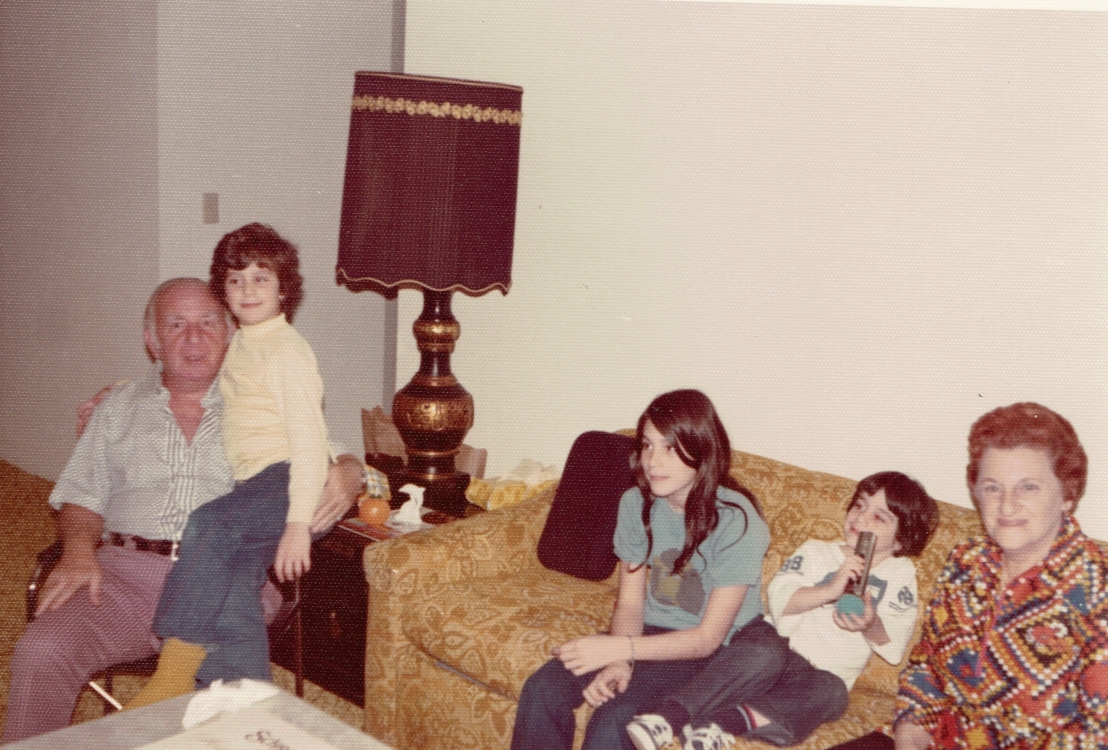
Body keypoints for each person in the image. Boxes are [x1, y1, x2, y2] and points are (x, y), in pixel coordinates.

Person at [1, 276, 363, 743]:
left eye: (208, 322)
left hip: (229, 583)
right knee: (41, 650)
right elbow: (81, 496)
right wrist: (76, 550)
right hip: (123, 581)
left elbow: (328, 452)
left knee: (231, 705)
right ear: (152, 342)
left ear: (230, 334)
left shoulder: (262, 399)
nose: (194, 338)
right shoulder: (117, 407)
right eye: (176, 325)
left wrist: (352, 470)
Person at [123, 223, 330, 710]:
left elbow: (309, 444)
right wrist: (119, 392)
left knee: (209, 524)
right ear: (224, 291)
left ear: (284, 288)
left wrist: (298, 525)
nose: (248, 290)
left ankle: (174, 669)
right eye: (236, 280)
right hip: (255, 486)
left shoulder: (286, 351)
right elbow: (188, 372)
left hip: (287, 483)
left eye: (262, 278)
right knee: (233, 588)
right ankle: (248, 700)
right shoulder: (243, 342)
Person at [510, 389, 771, 750]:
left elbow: (707, 639)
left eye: (670, 447)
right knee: (543, 688)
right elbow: (631, 604)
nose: (653, 461)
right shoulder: (636, 503)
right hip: (647, 631)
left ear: (703, 450)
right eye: (647, 446)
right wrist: (620, 660)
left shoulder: (736, 521)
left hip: (711, 651)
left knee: (616, 717)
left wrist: (619, 649)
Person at [838, 403, 1108, 749]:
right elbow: (926, 665)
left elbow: (1099, 732)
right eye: (993, 487)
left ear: (1067, 495)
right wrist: (910, 730)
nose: (1007, 505)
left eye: (1028, 487)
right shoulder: (966, 560)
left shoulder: (1097, 586)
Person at [626, 472, 940, 750]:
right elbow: (779, 598)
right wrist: (828, 591)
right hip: (776, 651)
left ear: (901, 541)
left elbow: (895, 644)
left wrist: (870, 624)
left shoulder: (901, 576)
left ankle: (719, 725)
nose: (861, 518)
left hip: (820, 676)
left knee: (833, 694)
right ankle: (666, 718)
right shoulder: (817, 551)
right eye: (859, 505)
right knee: (761, 652)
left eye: (879, 517)